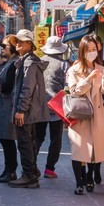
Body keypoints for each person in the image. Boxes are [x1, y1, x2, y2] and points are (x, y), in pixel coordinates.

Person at [65, 34, 104, 195]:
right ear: (82, 51)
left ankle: (90, 176)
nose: (92, 52)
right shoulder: (74, 70)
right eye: (88, 49)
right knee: (79, 149)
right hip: (79, 114)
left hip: (96, 114)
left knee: (94, 149)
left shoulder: (100, 68)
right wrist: (89, 79)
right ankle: (79, 183)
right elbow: (75, 90)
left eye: (94, 49)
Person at [8, 30, 48, 188]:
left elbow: (27, 88)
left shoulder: (29, 63)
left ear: (30, 44)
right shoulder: (27, 61)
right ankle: (32, 172)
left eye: (21, 41)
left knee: (25, 143)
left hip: (26, 111)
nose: (18, 43)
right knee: (29, 142)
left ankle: (28, 175)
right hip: (31, 110)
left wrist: (21, 110)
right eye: (16, 41)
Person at [36, 36, 70, 178]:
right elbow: (67, 87)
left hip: (39, 106)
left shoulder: (38, 62)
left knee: (37, 137)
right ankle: (49, 169)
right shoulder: (64, 65)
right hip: (57, 107)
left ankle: (31, 166)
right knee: (55, 139)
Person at [0, 36, 21, 183]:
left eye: (5, 46)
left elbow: (7, 86)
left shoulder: (14, 64)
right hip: (3, 106)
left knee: (8, 140)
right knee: (5, 141)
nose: (2, 49)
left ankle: (11, 170)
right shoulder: (8, 63)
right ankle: (8, 170)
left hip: (7, 106)